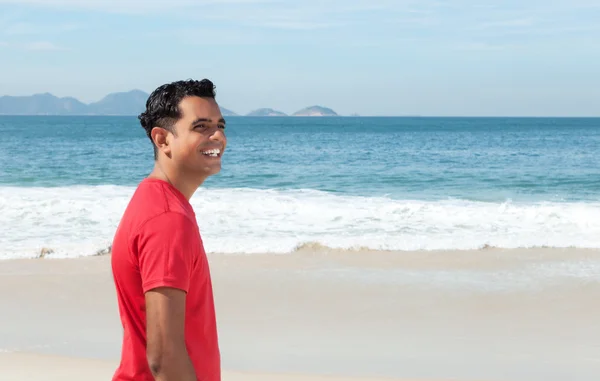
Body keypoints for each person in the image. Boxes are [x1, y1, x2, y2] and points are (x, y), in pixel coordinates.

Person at [110, 79, 226, 381]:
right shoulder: (167, 219)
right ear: (162, 140)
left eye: (220, 126)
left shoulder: (158, 202)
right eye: (201, 127)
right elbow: (164, 357)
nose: (218, 136)